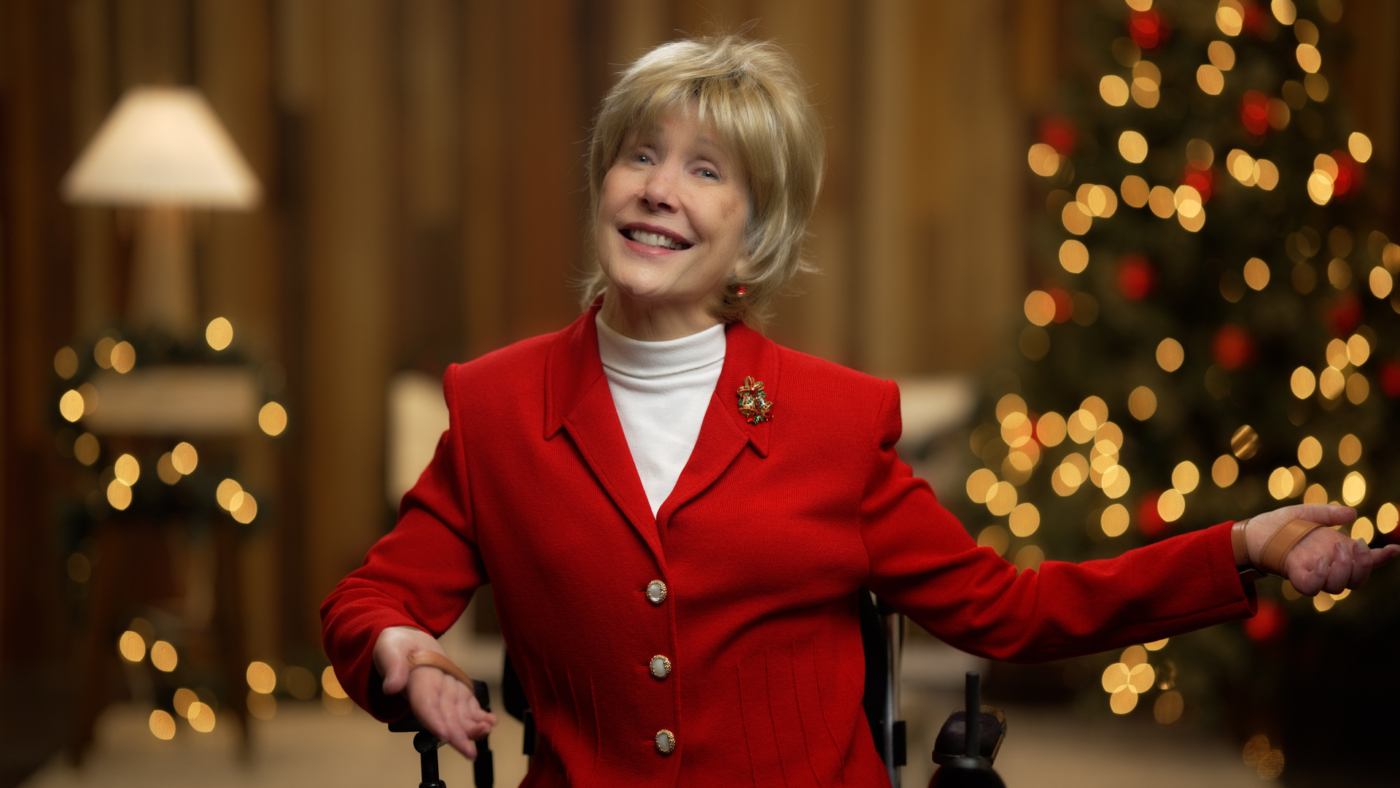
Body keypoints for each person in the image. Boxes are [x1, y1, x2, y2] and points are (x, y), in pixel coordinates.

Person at [321, 34, 1398, 787]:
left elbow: (1010, 611)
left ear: (754, 238)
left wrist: (1243, 546)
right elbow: (371, 598)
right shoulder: (499, 404)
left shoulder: (833, 424)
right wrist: (407, 652)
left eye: (705, 171)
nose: (658, 187)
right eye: (638, 155)